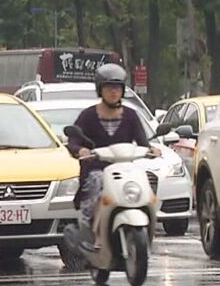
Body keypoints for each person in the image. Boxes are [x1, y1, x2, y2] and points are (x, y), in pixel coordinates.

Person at [67, 63, 160, 250]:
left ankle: (147, 227)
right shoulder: (88, 116)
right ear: (100, 90)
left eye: (117, 88)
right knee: (100, 183)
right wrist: (81, 151)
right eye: (109, 88)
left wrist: (151, 150)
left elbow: (142, 142)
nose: (113, 92)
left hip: (124, 170)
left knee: (143, 184)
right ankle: (97, 235)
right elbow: (73, 141)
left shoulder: (131, 116)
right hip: (96, 170)